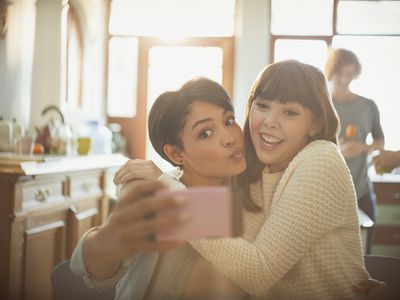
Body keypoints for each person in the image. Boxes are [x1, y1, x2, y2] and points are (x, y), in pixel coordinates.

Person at [119, 60, 377, 299]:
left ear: (315, 124)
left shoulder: (321, 159)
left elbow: (257, 272)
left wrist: (168, 190)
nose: (269, 122)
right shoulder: (253, 170)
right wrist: (153, 181)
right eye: (262, 106)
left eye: (289, 113)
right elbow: (187, 181)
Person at [70, 77, 248, 299]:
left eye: (229, 121)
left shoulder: (254, 196)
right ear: (176, 154)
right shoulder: (154, 199)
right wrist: (112, 236)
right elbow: (92, 272)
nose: (230, 138)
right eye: (206, 133)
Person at [325, 48, 385, 254]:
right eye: (340, 73)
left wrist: (362, 147)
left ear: (355, 74)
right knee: (333, 254)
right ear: (331, 72)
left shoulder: (368, 106)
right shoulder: (323, 106)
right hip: (329, 192)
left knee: (364, 252)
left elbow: (380, 142)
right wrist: (337, 150)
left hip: (361, 190)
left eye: (349, 74)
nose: (344, 79)